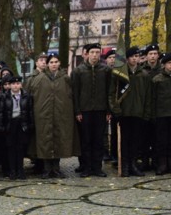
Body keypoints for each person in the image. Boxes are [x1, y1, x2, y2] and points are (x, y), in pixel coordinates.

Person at [27, 53, 79, 178]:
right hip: (43, 116)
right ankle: (46, 169)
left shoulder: (65, 79)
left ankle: (56, 168)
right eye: (51, 62)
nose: (54, 64)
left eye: (56, 62)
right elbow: (31, 96)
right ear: (47, 64)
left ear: (59, 63)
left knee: (59, 140)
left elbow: (72, 96)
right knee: (44, 141)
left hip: (61, 115)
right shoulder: (39, 79)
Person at [109, 47, 152, 177]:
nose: (135, 58)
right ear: (127, 58)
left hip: (138, 113)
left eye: (137, 56)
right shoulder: (120, 74)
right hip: (124, 113)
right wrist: (116, 109)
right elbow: (112, 93)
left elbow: (148, 96)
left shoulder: (144, 75)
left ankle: (133, 165)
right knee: (124, 141)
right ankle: (125, 165)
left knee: (135, 141)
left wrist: (146, 113)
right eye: (132, 56)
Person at [72, 43, 111, 177]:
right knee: (86, 140)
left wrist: (108, 111)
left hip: (100, 110)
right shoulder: (78, 71)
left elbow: (109, 91)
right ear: (87, 54)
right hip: (85, 111)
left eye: (97, 52)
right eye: (92, 52)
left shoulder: (105, 70)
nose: (95, 55)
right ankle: (87, 167)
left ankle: (97, 167)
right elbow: (75, 93)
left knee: (98, 140)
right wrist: (77, 111)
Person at [0, 76, 34, 179]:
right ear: (10, 86)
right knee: (11, 148)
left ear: (21, 85)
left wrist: (30, 124)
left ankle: (20, 170)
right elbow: (1, 112)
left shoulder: (26, 96)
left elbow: (30, 111)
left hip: (22, 124)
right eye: (13, 84)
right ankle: (12, 170)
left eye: (17, 84)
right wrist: (1, 125)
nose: (15, 86)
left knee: (21, 148)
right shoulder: (5, 96)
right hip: (10, 123)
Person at [151, 53, 171, 174]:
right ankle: (162, 164)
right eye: (169, 63)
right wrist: (153, 115)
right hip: (162, 114)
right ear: (164, 65)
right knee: (162, 141)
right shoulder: (157, 79)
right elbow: (152, 99)